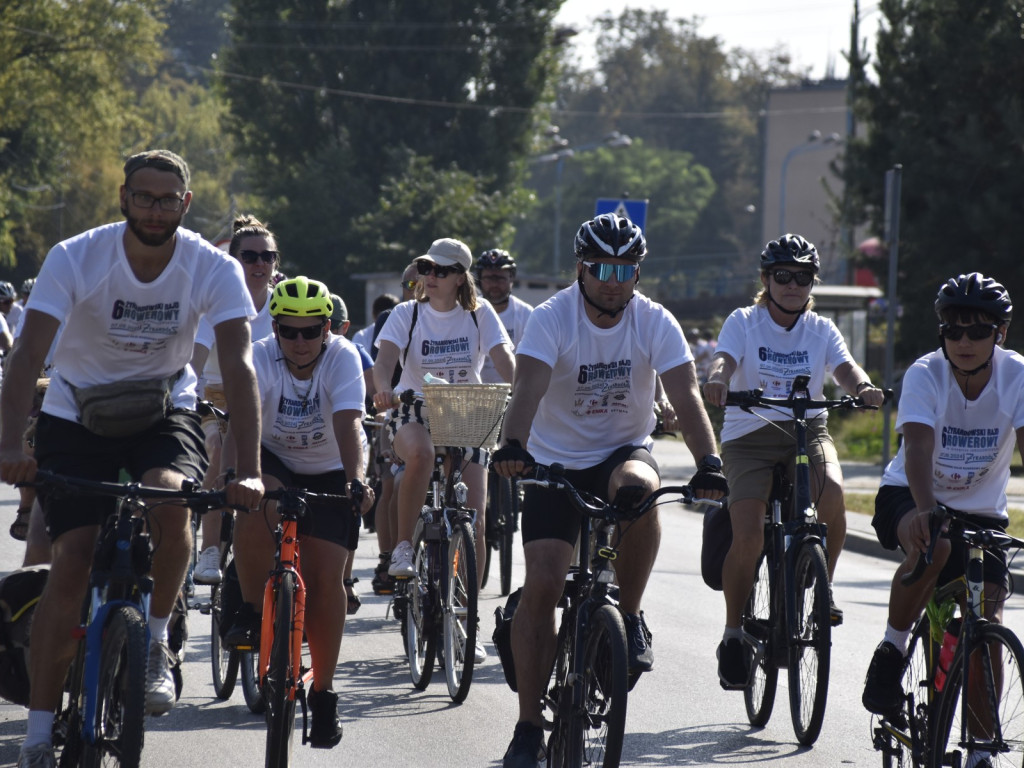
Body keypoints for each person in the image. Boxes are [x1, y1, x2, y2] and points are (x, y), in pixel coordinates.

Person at [0, 149, 263, 768]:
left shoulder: (212, 267)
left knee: (172, 504)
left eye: (167, 199)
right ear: (123, 198)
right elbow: (29, 354)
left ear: (185, 203)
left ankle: (153, 642)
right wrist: (11, 445)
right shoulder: (76, 256)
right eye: (142, 197)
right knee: (71, 561)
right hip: (76, 413)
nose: (154, 209)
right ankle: (38, 736)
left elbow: (240, 366)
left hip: (161, 409)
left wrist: (248, 468)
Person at [491, 213, 727, 768]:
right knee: (544, 582)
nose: (612, 279)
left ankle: (632, 611)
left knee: (642, 488)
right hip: (551, 461)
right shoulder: (552, 318)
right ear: (581, 267)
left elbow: (687, 397)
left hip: (621, 451)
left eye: (625, 269)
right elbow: (526, 386)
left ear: (638, 273)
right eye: (600, 267)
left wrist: (710, 462)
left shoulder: (654, 321)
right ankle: (527, 727)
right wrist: (514, 446)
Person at [702, 233, 884, 690]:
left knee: (836, 496)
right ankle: (733, 635)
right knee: (747, 531)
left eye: (802, 277)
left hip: (807, 430)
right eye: (782, 276)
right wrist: (719, 380)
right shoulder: (744, 321)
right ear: (767, 279)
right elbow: (723, 360)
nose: (792, 285)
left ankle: (823, 591)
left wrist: (862, 388)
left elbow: (845, 368)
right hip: (750, 437)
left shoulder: (821, 329)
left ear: (811, 283)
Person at [862, 273, 1023, 726]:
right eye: (953, 329)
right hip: (910, 493)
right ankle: (892, 648)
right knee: (938, 544)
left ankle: (981, 748)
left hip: (982, 513)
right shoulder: (925, 372)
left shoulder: (1017, 375)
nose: (964, 340)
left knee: (989, 618)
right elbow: (917, 448)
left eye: (978, 330)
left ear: (1001, 333)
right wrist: (927, 509)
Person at [224, 276, 373, 748]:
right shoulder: (260, 356)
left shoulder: (343, 356)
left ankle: (324, 694)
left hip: (331, 468)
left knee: (326, 578)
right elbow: (242, 425)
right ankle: (250, 611)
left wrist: (356, 482)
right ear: (276, 329)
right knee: (254, 503)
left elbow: (349, 422)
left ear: (329, 328)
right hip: (274, 461)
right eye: (290, 331)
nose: (301, 341)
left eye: (312, 330)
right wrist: (237, 476)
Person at [371, 239, 514, 651]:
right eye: (426, 268)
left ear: (459, 278)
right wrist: (383, 391)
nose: (431, 277)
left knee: (477, 518)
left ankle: (468, 622)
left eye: (442, 271)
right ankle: (401, 550)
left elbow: (506, 359)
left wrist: (520, 390)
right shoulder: (406, 314)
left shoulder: (479, 314)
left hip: (466, 410)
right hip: (414, 408)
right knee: (421, 453)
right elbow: (384, 365)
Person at [191, 215, 279, 585]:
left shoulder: (283, 305)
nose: (259, 264)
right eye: (250, 256)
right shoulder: (216, 303)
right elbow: (193, 363)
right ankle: (210, 549)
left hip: (269, 399)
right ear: (234, 259)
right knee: (218, 447)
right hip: (218, 397)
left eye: (267, 256)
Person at [367, 264, 420, 596]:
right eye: (410, 283)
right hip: (396, 407)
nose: (418, 287)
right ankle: (387, 558)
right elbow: (381, 367)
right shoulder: (393, 319)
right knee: (390, 481)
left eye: (423, 280)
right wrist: (385, 397)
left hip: (437, 409)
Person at [475, 249, 533, 384]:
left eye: (500, 278)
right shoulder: (469, 313)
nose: (494, 284)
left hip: (513, 393)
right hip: (475, 394)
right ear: (480, 280)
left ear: (511, 278)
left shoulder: (526, 314)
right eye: (488, 278)